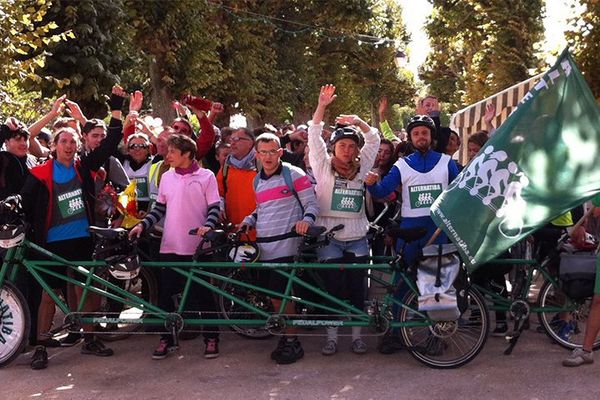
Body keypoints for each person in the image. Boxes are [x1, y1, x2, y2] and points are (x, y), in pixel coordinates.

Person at [19, 86, 128, 370]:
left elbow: (111, 140)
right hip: (51, 243)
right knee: (48, 297)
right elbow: (24, 203)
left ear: (77, 146)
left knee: (88, 290)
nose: (68, 146)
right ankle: (41, 345)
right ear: (54, 146)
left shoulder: (83, 167)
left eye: (72, 142)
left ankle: (89, 339)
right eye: (63, 141)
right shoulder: (40, 173)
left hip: (82, 239)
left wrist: (116, 106)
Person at [129, 134, 221, 360]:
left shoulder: (207, 176)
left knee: (203, 295)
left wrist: (207, 226)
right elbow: (159, 208)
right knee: (166, 295)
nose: (167, 155)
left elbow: (214, 207)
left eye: (172, 151)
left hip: (198, 247)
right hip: (170, 244)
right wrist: (143, 225)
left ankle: (211, 338)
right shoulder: (167, 177)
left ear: (187, 154)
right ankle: (166, 338)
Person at [308, 84, 380, 355]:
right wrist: (322, 107)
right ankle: (332, 337)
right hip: (329, 240)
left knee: (357, 290)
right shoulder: (323, 167)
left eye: (351, 146)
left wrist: (359, 122)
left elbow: (373, 140)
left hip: (358, 239)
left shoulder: (362, 170)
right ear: (334, 147)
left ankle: (357, 337)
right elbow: (314, 136)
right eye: (342, 145)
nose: (347, 150)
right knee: (333, 292)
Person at [238, 133, 318, 364]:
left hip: (287, 245)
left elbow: (311, 204)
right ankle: (286, 335)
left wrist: (307, 221)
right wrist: (249, 220)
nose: (268, 157)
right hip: (264, 247)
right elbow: (260, 209)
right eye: (263, 152)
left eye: (272, 151)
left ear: (280, 153)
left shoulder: (295, 175)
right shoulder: (257, 180)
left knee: (281, 297)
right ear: (257, 155)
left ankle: (292, 341)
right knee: (275, 297)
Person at [217, 127, 258, 239]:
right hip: (234, 234)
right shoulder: (226, 167)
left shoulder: (262, 164)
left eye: (237, 139)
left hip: (259, 233)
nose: (233, 143)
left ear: (250, 143)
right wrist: (220, 207)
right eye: (231, 140)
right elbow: (219, 193)